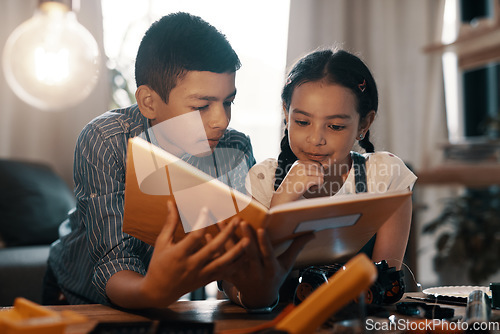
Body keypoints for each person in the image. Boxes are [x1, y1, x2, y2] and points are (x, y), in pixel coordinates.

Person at [44, 12, 310, 310]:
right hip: (79, 293)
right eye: (201, 106)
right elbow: (112, 261)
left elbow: (235, 266)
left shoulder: (234, 148)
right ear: (149, 103)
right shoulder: (105, 140)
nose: (221, 120)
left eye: (228, 102)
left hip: (163, 297)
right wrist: (155, 293)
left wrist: (254, 294)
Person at [246, 48, 417, 271]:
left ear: (364, 124)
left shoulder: (385, 178)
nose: (316, 139)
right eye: (302, 122)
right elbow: (252, 280)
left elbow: (383, 282)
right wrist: (282, 200)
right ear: (286, 114)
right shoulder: (263, 179)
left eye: (335, 126)